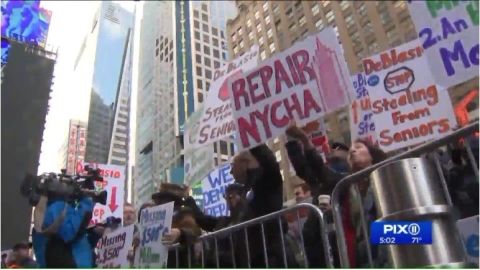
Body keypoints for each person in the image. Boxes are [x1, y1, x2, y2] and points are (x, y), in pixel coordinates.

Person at [285, 123, 387, 267]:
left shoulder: (386, 181)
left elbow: (413, 231)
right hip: (356, 260)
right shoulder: (343, 185)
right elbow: (318, 167)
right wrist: (304, 140)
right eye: (351, 150)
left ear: (372, 157)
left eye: (358, 147)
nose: (352, 151)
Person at [31, 195, 95, 268]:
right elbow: (70, 232)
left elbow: (76, 244)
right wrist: (86, 200)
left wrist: (94, 234)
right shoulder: (54, 209)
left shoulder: (45, 218)